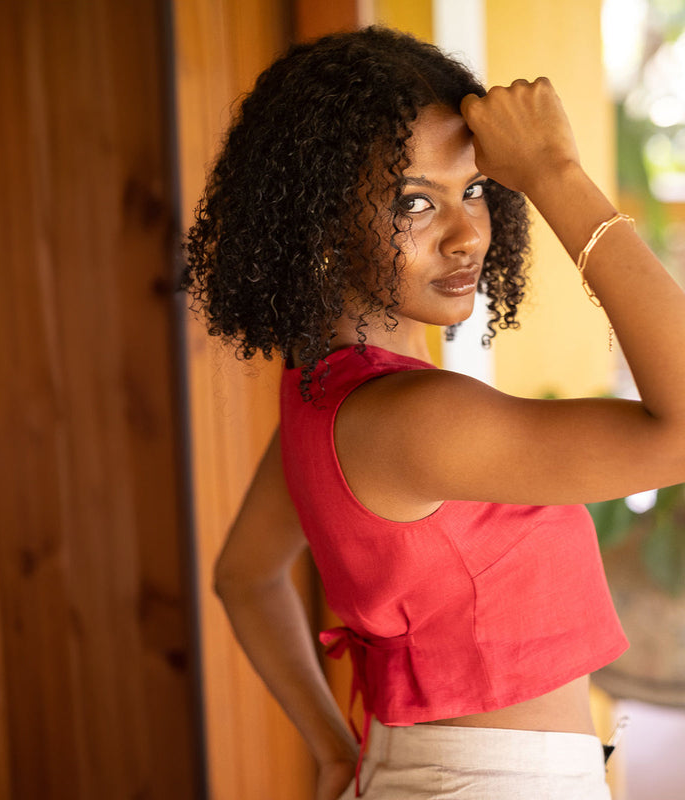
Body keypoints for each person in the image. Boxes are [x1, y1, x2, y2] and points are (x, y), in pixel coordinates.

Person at [183, 26, 685, 800]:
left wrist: (329, 749)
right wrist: (556, 173)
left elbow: (244, 578)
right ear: (320, 224)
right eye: (414, 202)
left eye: (476, 188)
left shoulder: (325, 397)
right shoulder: (417, 421)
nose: (467, 234)